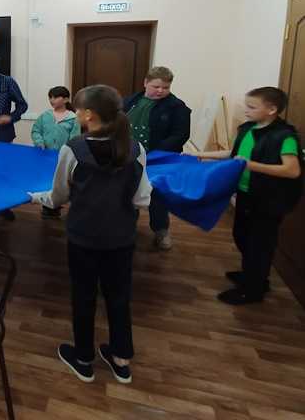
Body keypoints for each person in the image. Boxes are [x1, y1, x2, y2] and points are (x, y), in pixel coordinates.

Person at [30, 85, 152, 385]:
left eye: (78, 109)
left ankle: (83, 358)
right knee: (119, 296)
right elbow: (142, 199)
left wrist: (35, 197)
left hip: (83, 237)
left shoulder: (73, 149)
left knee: (83, 295)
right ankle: (121, 360)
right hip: (121, 237)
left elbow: (58, 197)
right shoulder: (136, 149)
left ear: (88, 115)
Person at [187, 87, 302, 305]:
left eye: (252, 107)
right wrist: (199, 155)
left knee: (259, 244)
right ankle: (253, 276)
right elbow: (233, 154)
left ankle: (252, 290)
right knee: (242, 235)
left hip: (267, 200)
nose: (246, 110)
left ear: (271, 109)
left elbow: (292, 170)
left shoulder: (285, 136)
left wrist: (252, 165)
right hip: (246, 194)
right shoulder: (248, 129)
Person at [123, 66, 190, 250]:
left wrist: (154, 154)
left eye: (165, 87)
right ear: (145, 83)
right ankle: (127, 228)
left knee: (157, 195)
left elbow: (180, 135)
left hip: (158, 160)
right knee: (128, 192)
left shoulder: (177, 107)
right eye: (156, 86)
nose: (161, 91)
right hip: (129, 157)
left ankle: (161, 231)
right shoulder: (129, 101)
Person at [31, 86, 81, 218]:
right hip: (45, 156)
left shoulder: (73, 118)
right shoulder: (44, 116)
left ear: (66, 99)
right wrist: (39, 142)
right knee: (46, 181)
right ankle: (47, 207)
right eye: (50, 97)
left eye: (55, 97)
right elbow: (36, 131)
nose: (52, 100)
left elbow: (75, 138)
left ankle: (57, 205)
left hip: (62, 158)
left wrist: (66, 152)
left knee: (60, 182)